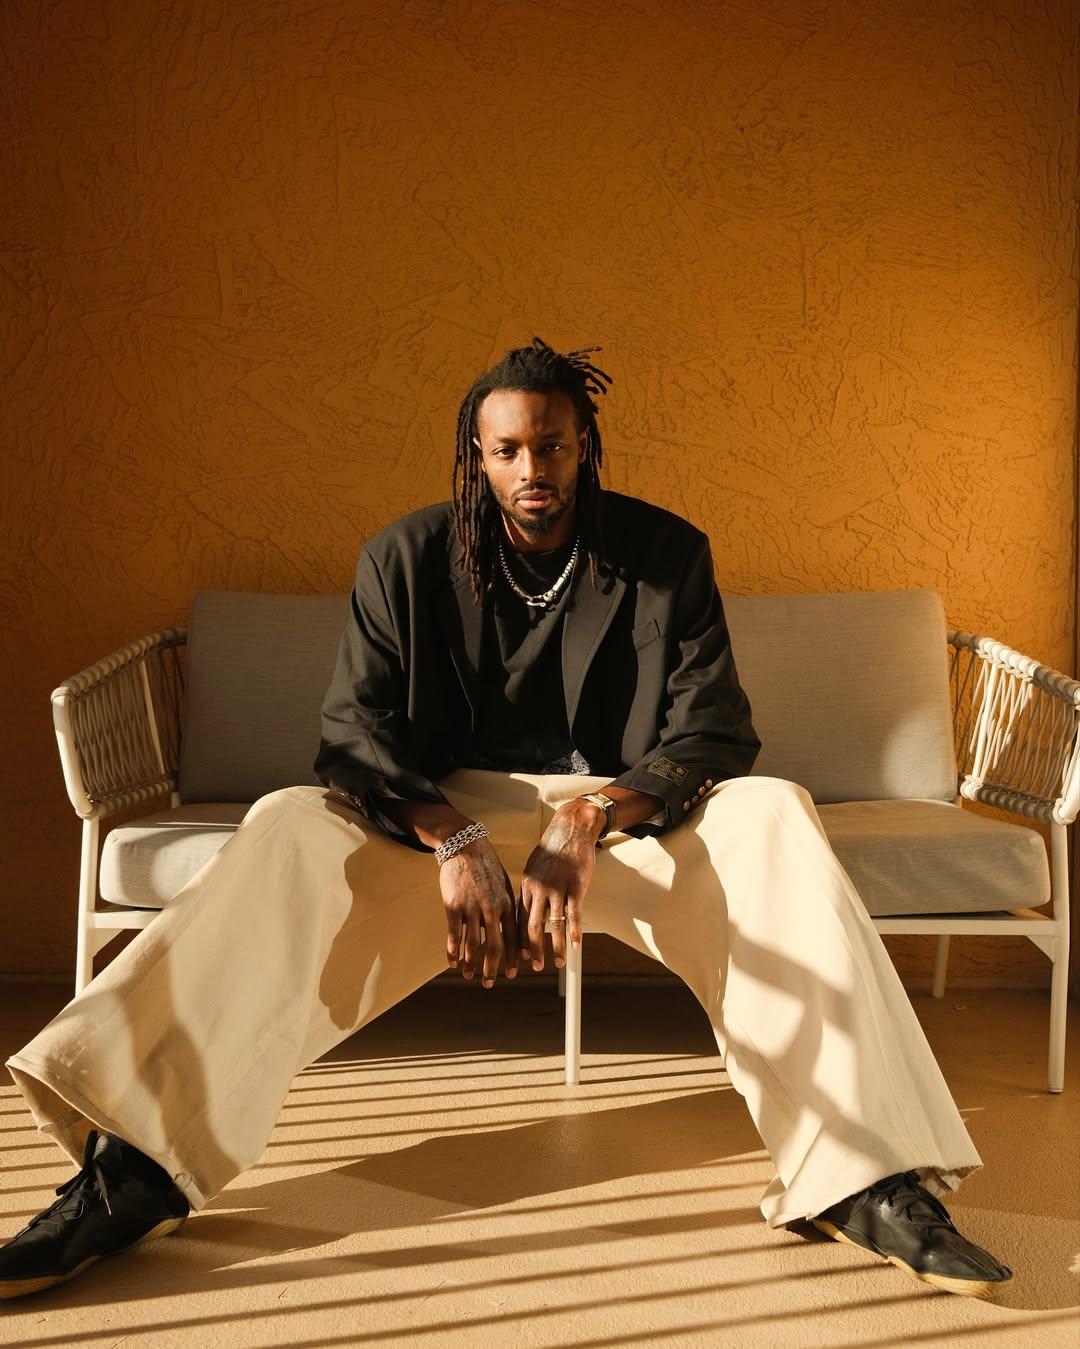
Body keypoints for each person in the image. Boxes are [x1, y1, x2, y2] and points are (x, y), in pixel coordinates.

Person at [0, 337, 1012, 1302]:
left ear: (585, 445)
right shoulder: (403, 558)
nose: (534, 469)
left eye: (553, 445)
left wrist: (588, 818)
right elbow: (354, 735)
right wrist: (454, 836)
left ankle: (864, 1177)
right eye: (509, 450)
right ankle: (131, 1169)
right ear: (476, 455)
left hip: (625, 818)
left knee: (777, 812)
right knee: (285, 826)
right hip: (444, 815)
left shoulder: (667, 555)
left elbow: (713, 730)